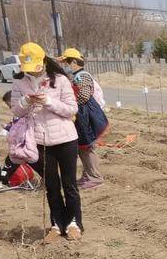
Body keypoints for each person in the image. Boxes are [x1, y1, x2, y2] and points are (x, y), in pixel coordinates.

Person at [11, 42, 83, 241]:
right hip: (39, 141)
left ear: (43, 60)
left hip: (66, 139)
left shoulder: (60, 80)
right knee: (51, 184)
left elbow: (72, 109)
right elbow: (16, 111)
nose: (33, 73)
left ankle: (74, 223)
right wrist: (26, 101)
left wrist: (48, 102)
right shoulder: (19, 83)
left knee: (69, 184)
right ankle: (56, 224)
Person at [59, 48, 108, 189]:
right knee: (81, 148)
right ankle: (88, 175)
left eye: (67, 62)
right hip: (80, 116)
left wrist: (69, 102)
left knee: (87, 147)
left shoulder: (82, 76)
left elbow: (84, 95)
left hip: (84, 116)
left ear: (74, 62)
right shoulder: (76, 76)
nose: (65, 65)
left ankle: (95, 176)